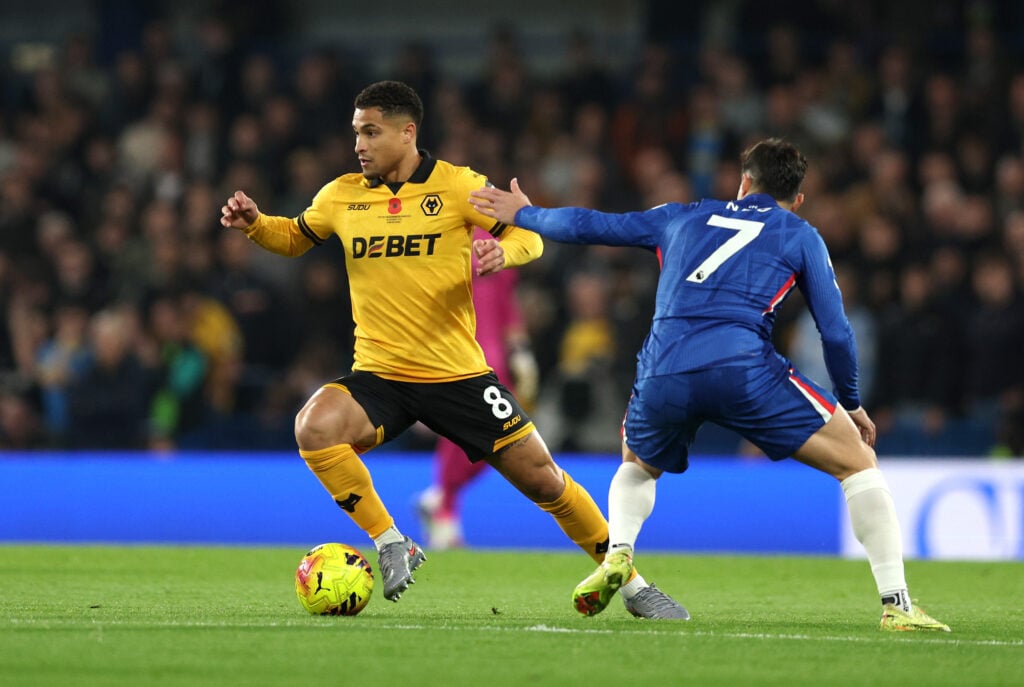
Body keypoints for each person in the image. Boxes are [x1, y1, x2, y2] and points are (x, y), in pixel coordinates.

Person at [220, 80, 684, 618]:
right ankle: (393, 542)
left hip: (457, 376)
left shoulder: (459, 186)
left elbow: (528, 234)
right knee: (313, 426)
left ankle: (632, 585)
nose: (359, 145)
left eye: (370, 132)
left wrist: (502, 256)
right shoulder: (340, 195)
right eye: (356, 133)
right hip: (381, 375)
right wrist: (256, 225)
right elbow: (296, 235)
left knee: (543, 478)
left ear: (407, 132)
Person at [469, 138, 950, 632]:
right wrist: (851, 402)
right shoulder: (800, 233)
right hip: (742, 367)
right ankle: (896, 603)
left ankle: (618, 553)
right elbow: (836, 332)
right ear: (797, 198)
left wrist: (526, 215)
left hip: (664, 367)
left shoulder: (680, 216)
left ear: (743, 183)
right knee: (858, 464)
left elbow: (595, 224)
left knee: (637, 465)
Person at [416, 227, 539, 550]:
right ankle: (444, 514)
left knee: (500, 442)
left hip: (493, 363)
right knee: (459, 437)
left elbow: (505, 302)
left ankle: (440, 499)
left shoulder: (494, 238)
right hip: (456, 356)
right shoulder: (436, 236)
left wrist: (522, 350)